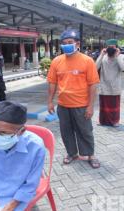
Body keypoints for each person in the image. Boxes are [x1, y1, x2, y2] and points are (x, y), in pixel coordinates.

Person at [47, 28, 101, 169]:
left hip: (81, 105)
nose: (66, 45)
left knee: (85, 131)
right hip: (63, 105)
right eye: (64, 43)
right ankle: (72, 153)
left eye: (70, 42)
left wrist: (90, 106)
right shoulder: (56, 61)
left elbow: (93, 85)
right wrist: (50, 102)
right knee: (66, 131)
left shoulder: (87, 61)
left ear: (77, 44)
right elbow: (52, 82)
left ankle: (90, 154)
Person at [96, 39, 124, 127]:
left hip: (115, 86)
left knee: (114, 105)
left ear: (116, 48)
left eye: (112, 47)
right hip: (104, 85)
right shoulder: (104, 57)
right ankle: (103, 121)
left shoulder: (121, 56)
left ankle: (115, 121)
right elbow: (95, 67)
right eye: (109, 47)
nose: (110, 49)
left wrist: (116, 56)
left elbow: (123, 68)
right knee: (103, 104)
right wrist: (101, 55)